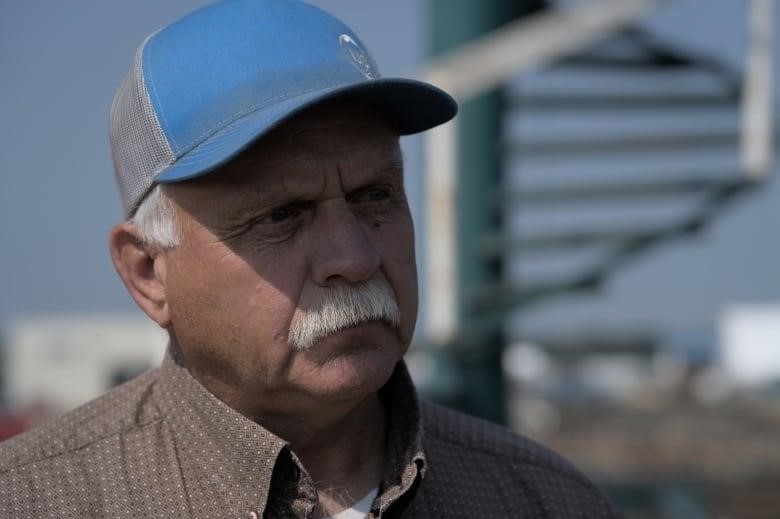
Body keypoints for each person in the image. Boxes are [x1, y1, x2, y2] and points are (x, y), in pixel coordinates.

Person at [0, 1, 621, 517]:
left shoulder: (544, 501)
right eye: (282, 215)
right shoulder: (36, 500)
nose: (353, 258)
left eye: (375, 197)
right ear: (148, 273)